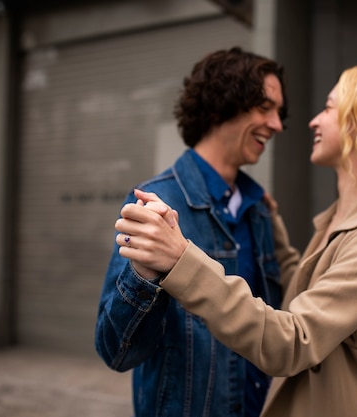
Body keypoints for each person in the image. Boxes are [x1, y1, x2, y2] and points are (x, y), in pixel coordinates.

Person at [114, 60, 357, 417]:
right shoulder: (345, 219)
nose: (312, 121)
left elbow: (293, 341)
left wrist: (181, 259)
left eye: (328, 108)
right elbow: (310, 292)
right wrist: (273, 228)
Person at [94, 47, 288, 417]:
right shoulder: (156, 203)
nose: (277, 124)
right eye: (265, 107)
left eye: (279, 112)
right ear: (219, 106)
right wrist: (144, 276)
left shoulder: (259, 209)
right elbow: (115, 351)